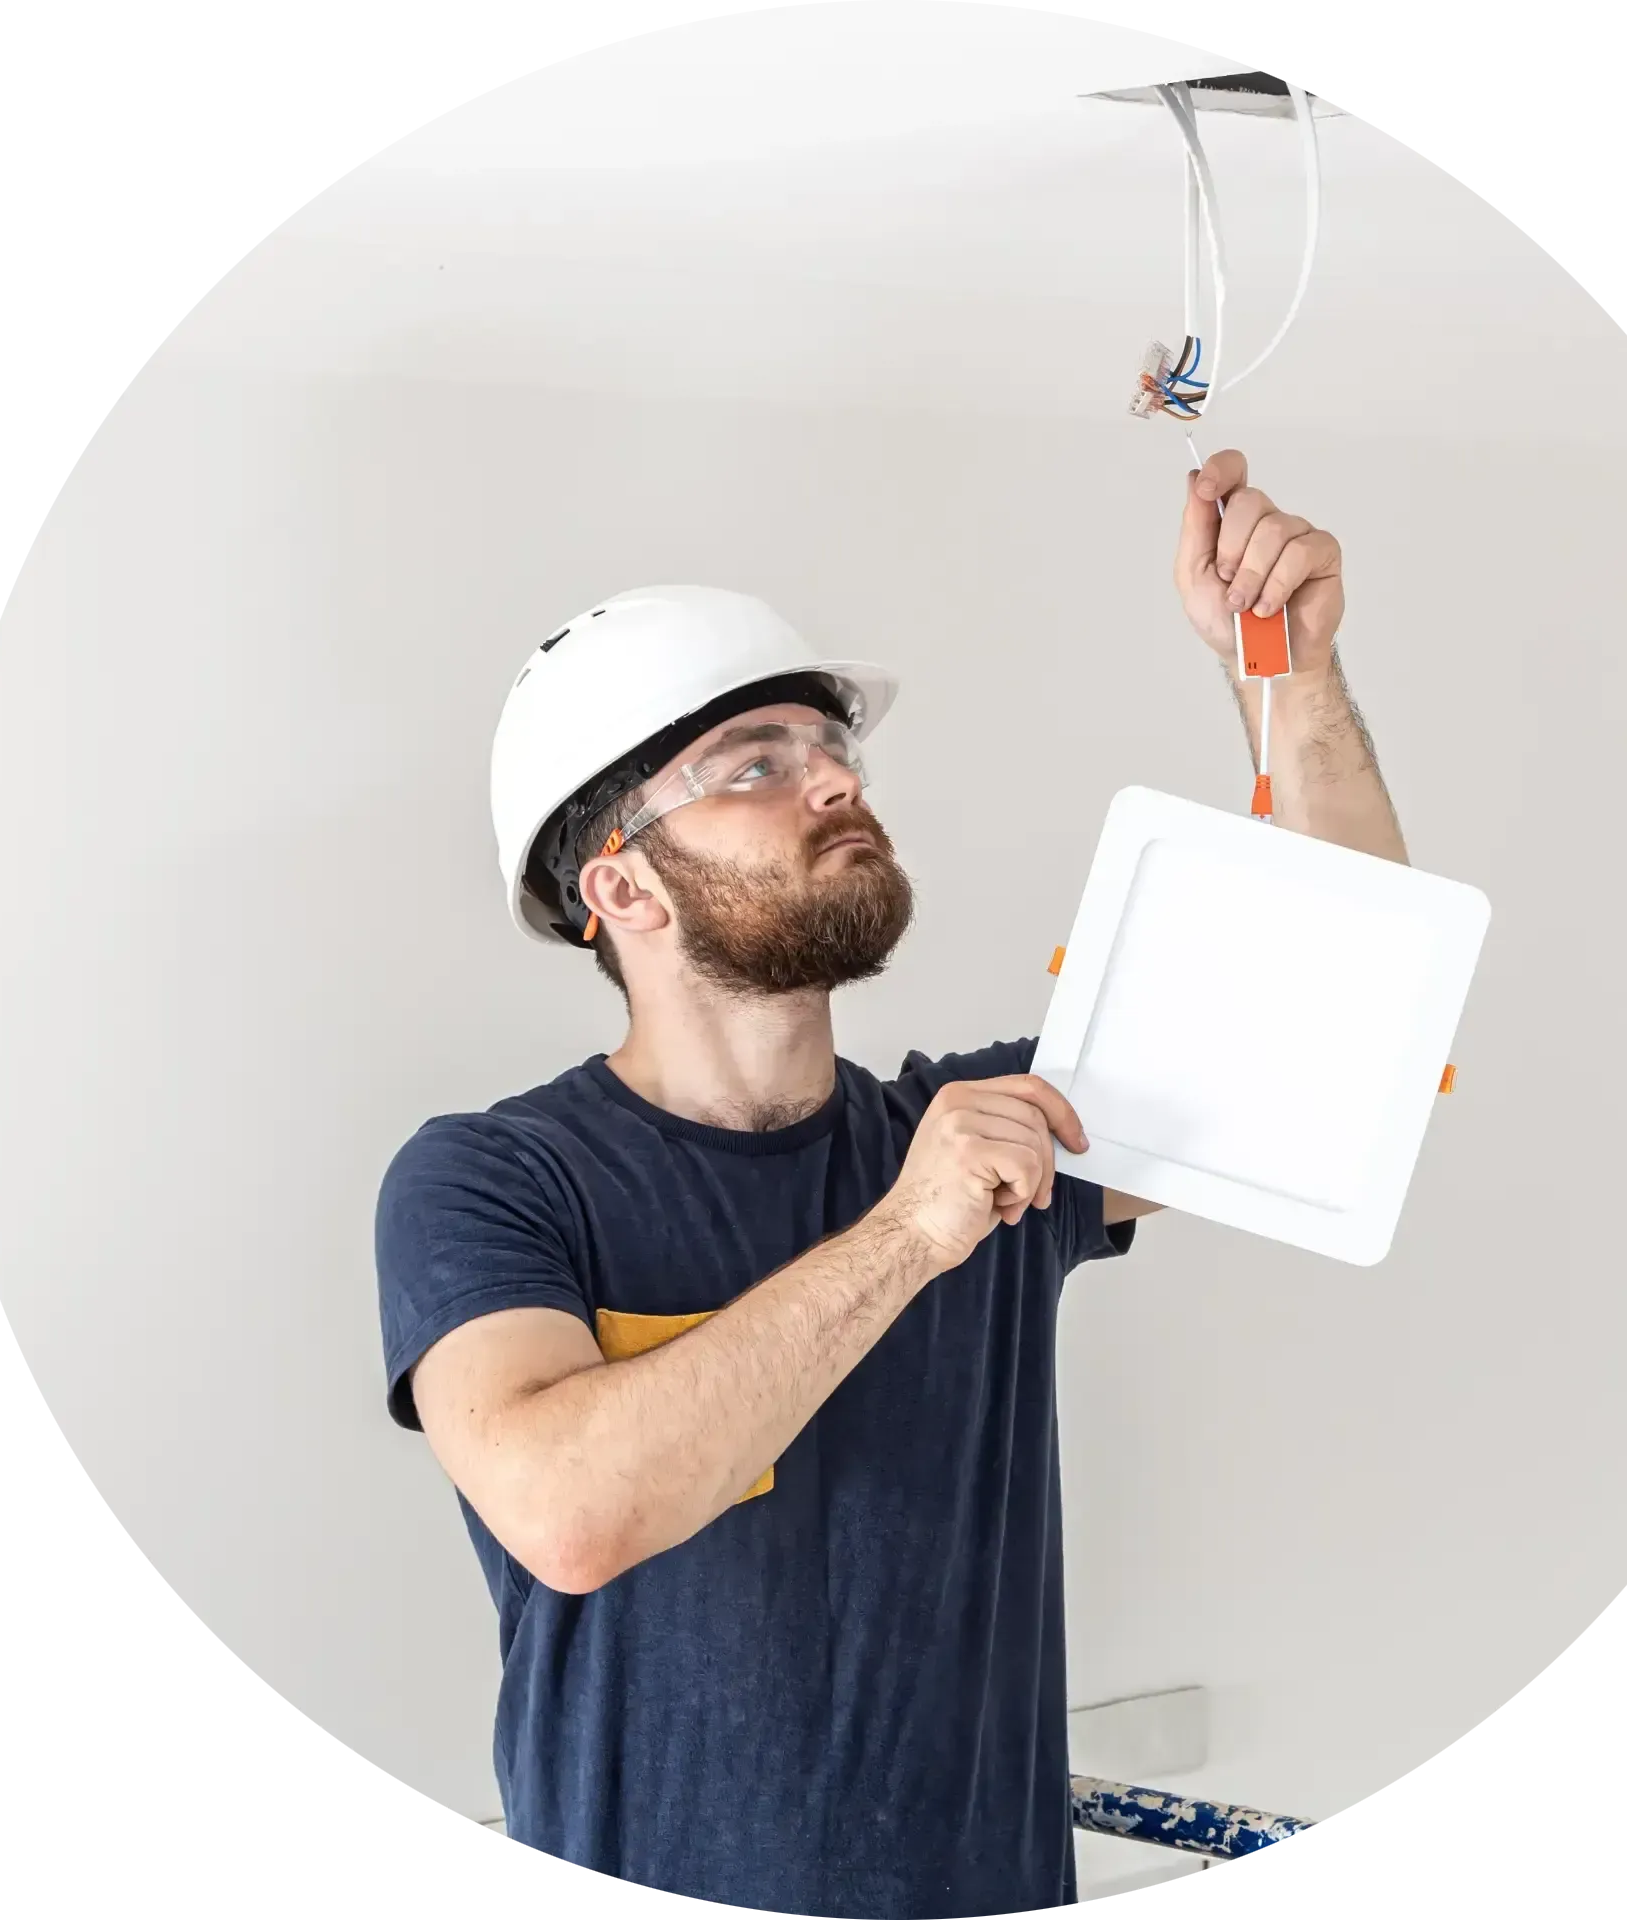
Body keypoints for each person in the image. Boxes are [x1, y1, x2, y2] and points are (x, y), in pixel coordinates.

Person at [374, 449, 1408, 1918]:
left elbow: (1346, 1023)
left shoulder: (978, 1132)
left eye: (828, 746)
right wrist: (911, 1233)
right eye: (755, 763)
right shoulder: (495, 1180)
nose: (835, 779)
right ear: (621, 886)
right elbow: (571, 1513)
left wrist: (1290, 674)